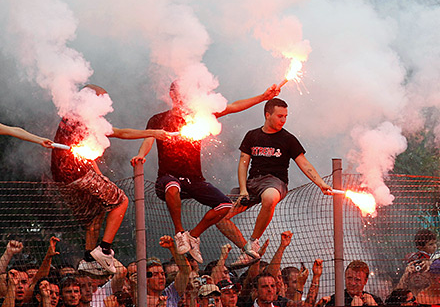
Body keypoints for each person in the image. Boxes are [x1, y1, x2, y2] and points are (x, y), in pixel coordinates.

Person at [132, 82, 282, 263]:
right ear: (172, 95)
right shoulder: (158, 119)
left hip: (194, 178)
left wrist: (263, 97)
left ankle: (193, 236)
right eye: (180, 94)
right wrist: (141, 155)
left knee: (225, 206)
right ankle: (180, 234)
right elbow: (148, 138)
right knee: (172, 187)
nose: (184, 98)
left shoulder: (199, 115)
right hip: (168, 177)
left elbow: (232, 107)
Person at [51, 85, 172, 273]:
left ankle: (89, 259)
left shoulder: (70, 117)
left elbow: (85, 153)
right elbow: (121, 133)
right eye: (102, 100)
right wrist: (152, 133)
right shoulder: (86, 118)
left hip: (62, 179)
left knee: (95, 213)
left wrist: (99, 176)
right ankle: (105, 250)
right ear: (91, 100)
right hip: (77, 173)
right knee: (121, 201)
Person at [233, 98, 333, 256]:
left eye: (286, 116)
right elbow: (243, 164)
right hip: (252, 183)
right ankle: (246, 250)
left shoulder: (288, 139)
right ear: (267, 115)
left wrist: (321, 184)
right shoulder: (252, 135)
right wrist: (243, 190)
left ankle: (253, 242)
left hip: (275, 182)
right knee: (220, 213)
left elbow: (304, 164)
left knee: (270, 198)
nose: (283, 120)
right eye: (280, 116)